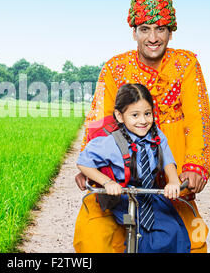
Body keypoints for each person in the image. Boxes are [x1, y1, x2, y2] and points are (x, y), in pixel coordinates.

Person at [73, 0, 210, 253]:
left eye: (160, 29)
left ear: (171, 31)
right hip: (120, 172)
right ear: (133, 31)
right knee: (93, 237)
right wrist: (89, 165)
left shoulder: (187, 64)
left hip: (172, 174)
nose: (153, 38)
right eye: (145, 28)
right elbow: (99, 118)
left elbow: (198, 120)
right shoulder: (115, 67)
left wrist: (195, 166)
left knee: (191, 241)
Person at [77, 83, 191, 253]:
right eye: (135, 115)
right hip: (125, 197)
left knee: (174, 231)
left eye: (147, 114)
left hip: (151, 194)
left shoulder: (157, 135)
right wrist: (107, 182)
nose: (143, 121)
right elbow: (83, 162)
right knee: (144, 238)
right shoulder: (111, 142)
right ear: (120, 116)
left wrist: (173, 181)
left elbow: (168, 160)